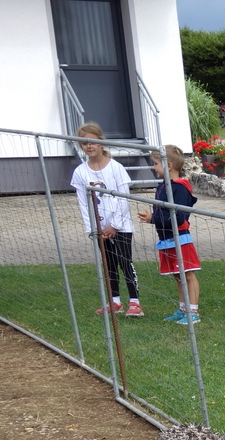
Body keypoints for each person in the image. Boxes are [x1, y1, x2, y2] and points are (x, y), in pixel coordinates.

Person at [71, 123, 141, 317]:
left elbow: (124, 197)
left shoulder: (116, 168)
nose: (89, 146)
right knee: (108, 263)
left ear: (101, 142)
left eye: (92, 141)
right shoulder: (80, 172)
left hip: (121, 226)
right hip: (100, 228)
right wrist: (92, 228)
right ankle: (115, 301)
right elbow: (83, 203)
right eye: (84, 143)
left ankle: (135, 302)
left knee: (125, 261)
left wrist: (114, 225)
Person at [136, 144, 201, 325]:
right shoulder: (163, 186)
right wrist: (152, 219)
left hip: (180, 238)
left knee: (187, 274)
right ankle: (183, 309)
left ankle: (193, 312)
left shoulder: (179, 188)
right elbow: (162, 215)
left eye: (156, 163)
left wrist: (153, 219)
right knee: (177, 275)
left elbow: (179, 217)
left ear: (169, 165)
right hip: (166, 239)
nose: (153, 167)